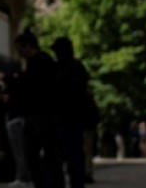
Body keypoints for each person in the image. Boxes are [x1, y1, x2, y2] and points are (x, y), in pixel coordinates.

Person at [8, 29, 61, 188]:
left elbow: (32, 87)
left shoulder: (39, 63)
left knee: (35, 153)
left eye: (20, 49)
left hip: (39, 115)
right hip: (43, 115)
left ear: (28, 46)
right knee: (46, 154)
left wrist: (14, 80)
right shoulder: (41, 62)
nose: (19, 54)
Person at [51, 37, 88, 188]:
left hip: (69, 118)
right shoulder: (72, 67)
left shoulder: (71, 68)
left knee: (71, 158)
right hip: (68, 118)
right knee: (70, 158)